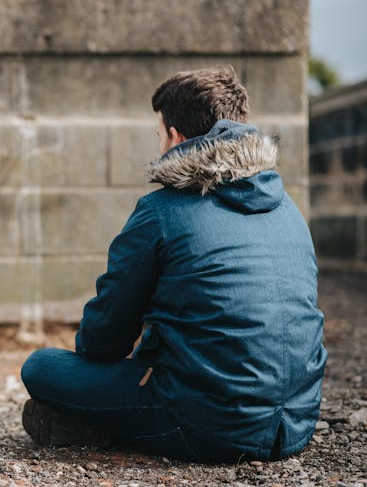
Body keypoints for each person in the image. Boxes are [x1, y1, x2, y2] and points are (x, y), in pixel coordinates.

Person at [20, 66, 327, 462]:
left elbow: (103, 340)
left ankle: (93, 425)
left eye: (160, 135)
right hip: (295, 422)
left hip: (207, 427)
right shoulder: (288, 209)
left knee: (42, 367)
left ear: (176, 137)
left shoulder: (161, 211)